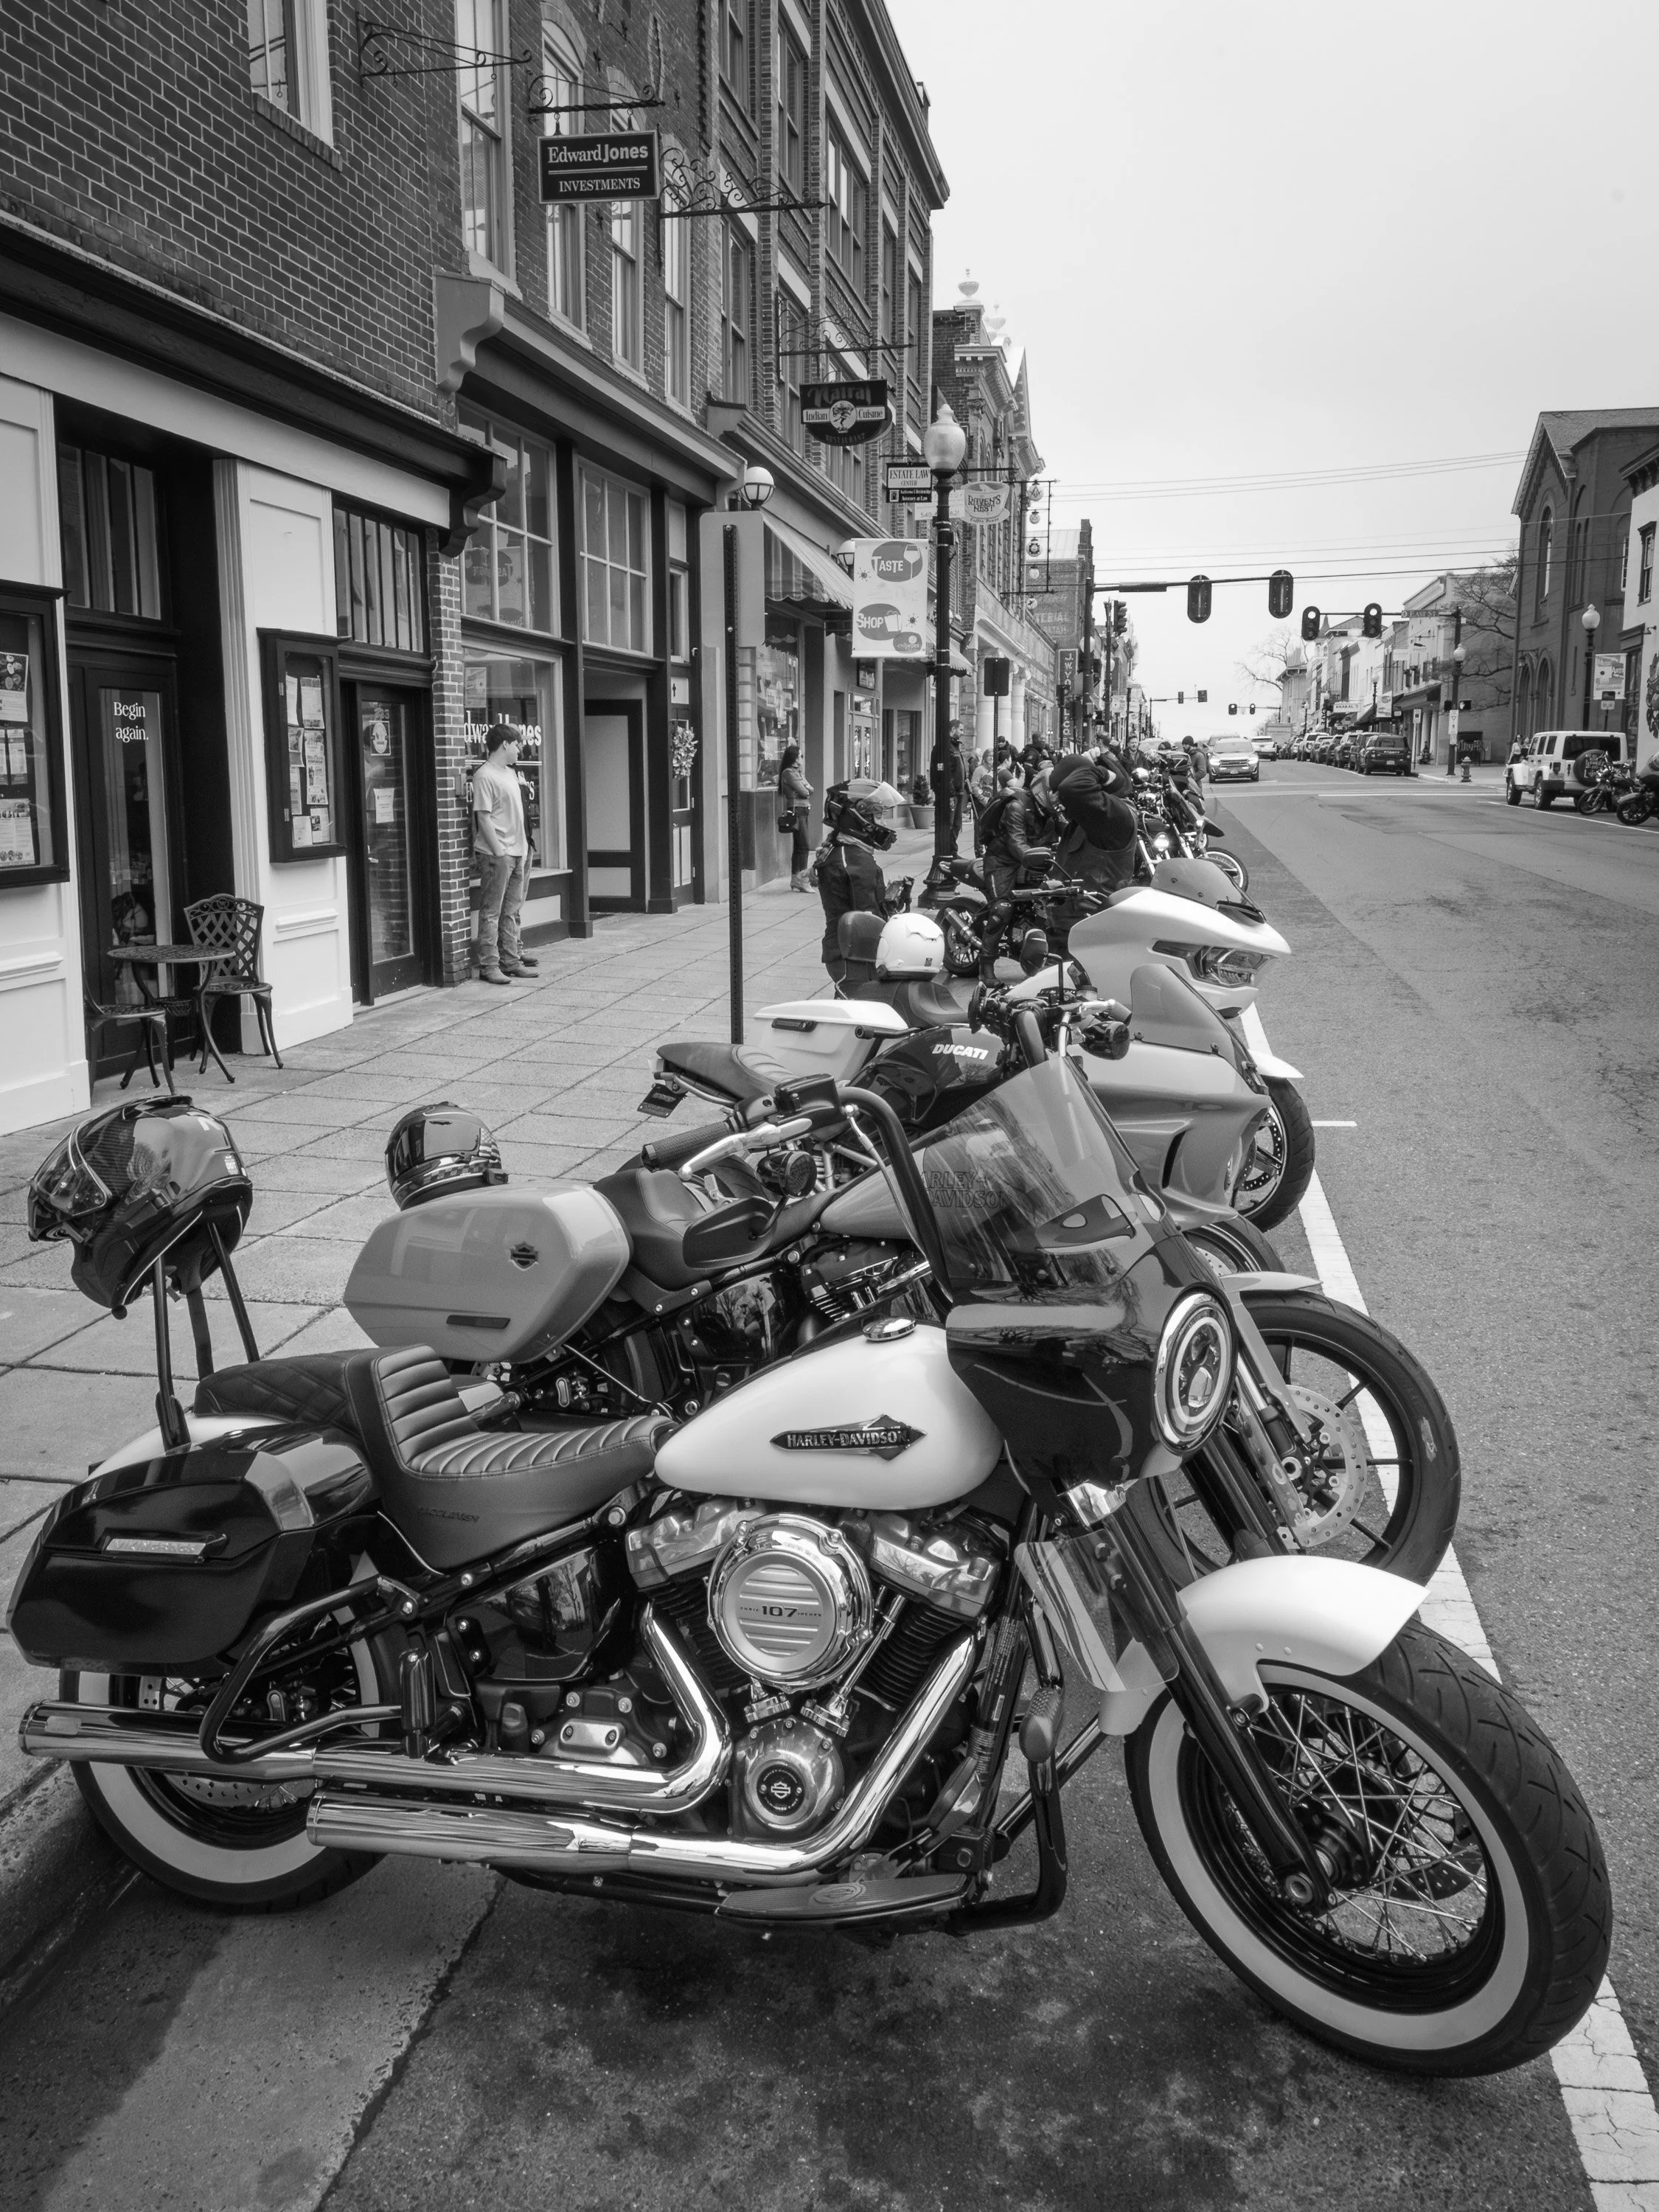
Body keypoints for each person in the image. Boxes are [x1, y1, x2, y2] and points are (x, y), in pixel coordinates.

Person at [472, 724, 538, 985]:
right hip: (497, 854)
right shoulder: (484, 776)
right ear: (504, 746)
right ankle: (489, 966)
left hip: (518, 852)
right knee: (491, 912)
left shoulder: (510, 773)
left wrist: (523, 848)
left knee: (510, 911)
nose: (520, 748)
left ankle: (511, 962)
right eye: (517, 744)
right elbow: (483, 818)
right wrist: (499, 852)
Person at [978, 768, 1058, 980]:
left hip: (1032, 862)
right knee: (1002, 910)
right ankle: (986, 965)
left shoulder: (1050, 812)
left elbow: (1065, 830)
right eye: (1055, 792)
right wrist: (1038, 859)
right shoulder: (1017, 807)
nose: (1058, 797)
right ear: (1043, 790)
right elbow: (1017, 843)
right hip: (1002, 862)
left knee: (1057, 897)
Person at [817, 791, 894, 987]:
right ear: (859, 820)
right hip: (853, 957)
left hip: (848, 952)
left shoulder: (850, 851)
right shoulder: (853, 861)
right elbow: (867, 916)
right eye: (878, 816)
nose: (883, 823)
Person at [1049, 748, 1139, 910]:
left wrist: (1096, 770)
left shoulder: (1113, 814)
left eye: (1060, 795)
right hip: (1071, 918)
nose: (1058, 801)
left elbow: (1072, 787)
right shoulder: (1087, 818)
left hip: (1094, 918)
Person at [777, 741, 813, 891]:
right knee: (804, 846)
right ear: (795, 758)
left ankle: (795, 879)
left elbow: (811, 788)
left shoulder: (798, 772)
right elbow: (805, 791)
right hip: (797, 811)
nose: (802, 758)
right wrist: (805, 789)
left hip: (804, 810)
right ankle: (804, 880)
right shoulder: (789, 773)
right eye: (800, 756)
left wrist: (805, 789)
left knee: (799, 846)